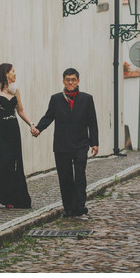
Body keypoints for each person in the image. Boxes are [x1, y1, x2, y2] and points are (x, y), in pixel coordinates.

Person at [32, 68, 98, 217]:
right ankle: (68, 208)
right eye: (67, 80)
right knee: (65, 177)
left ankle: (79, 206)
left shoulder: (87, 99)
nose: (70, 82)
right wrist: (38, 129)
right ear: (63, 81)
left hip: (81, 144)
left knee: (80, 175)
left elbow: (92, 122)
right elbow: (48, 117)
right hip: (62, 145)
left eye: (73, 79)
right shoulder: (56, 99)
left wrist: (94, 143)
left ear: (78, 81)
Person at [0, 63, 34, 209]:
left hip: (13, 130)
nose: (15, 74)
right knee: (0, 160)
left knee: (12, 163)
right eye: (13, 71)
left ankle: (10, 197)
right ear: (6, 73)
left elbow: (20, 110)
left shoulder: (15, 91)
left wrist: (31, 124)